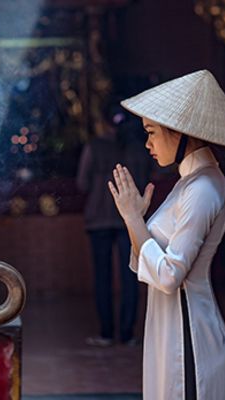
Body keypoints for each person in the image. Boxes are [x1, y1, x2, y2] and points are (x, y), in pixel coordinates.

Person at [108, 69, 225, 399]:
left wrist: (133, 219)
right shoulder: (190, 182)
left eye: (152, 132)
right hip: (172, 322)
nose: (147, 143)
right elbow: (150, 263)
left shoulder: (202, 188)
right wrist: (135, 221)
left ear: (179, 132)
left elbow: (170, 275)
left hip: (187, 334)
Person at [76, 120, 144, 347]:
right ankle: (127, 334)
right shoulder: (137, 146)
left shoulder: (94, 146)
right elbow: (147, 177)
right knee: (131, 276)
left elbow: (82, 182)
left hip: (99, 218)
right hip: (129, 218)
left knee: (102, 277)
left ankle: (106, 333)